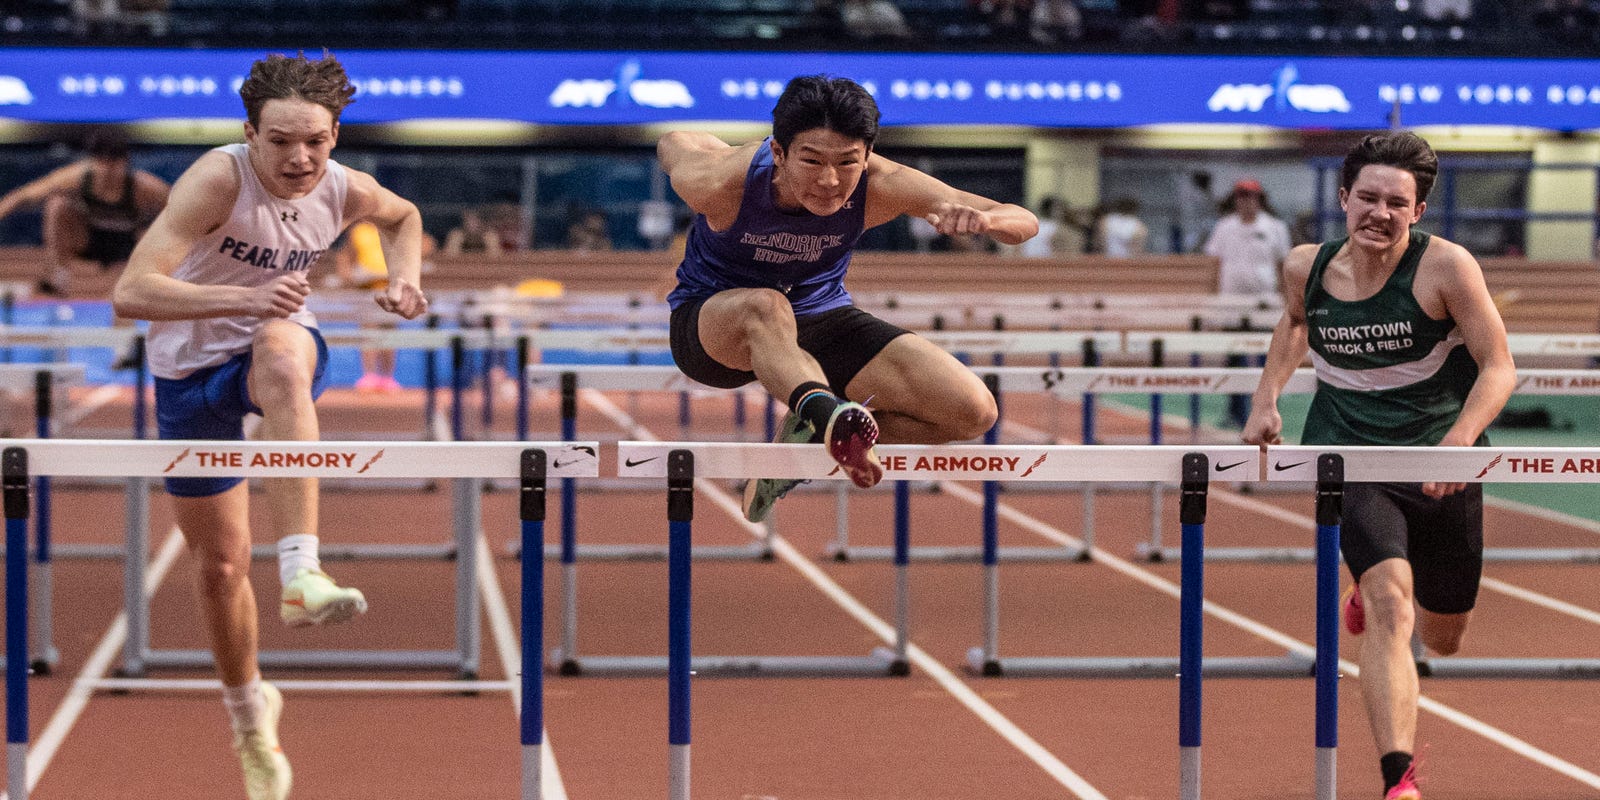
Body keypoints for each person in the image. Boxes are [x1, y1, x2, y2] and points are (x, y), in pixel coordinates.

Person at [110, 51, 429, 800]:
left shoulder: (343, 186)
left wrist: (405, 277)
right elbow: (131, 292)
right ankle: (251, 719)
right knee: (221, 568)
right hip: (189, 372)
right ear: (250, 133)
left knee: (284, 357)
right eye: (281, 140)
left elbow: (403, 216)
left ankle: (301, 573)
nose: (299, 158)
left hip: (273, 344)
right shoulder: (218, 180)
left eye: (315, 141)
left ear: (335, 137)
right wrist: (243, 300)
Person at [1242, 131, 1515, 800]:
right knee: (1394, 606)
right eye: (1368, 198)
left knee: (1445, 636)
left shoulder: (1446, 268)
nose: (1380, 213)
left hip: (1440, 460)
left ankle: (1368, 591)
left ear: (1417, 211)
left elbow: (1499, 366)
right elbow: (1297, 322)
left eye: (1397, 203)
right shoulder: (1305, 265)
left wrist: (1461, 438)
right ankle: (1400, 779)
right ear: (1344, 198)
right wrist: (1267, 395)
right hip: (1350, 456)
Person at [658, 74, 1038, 522]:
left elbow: (1023, 221)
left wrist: (987, 223)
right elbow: (673, 140)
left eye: (847, 163)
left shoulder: (884, 184)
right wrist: (724, 150)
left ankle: (814, 431)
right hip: (715, 328)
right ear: (778, 152)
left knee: (972, 411)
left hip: (819, 317)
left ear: (867, 155)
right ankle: (826, 414)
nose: (830, 181)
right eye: (812, 161)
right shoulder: (721, 182)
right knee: (765, 305)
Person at [0, 129, 170, 297]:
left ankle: (143, 279)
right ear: (92, 161)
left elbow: (178, 208)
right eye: (102, 162)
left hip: (127, 244)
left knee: (160, 225)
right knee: (57, 204)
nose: (107, 170)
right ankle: (58, 276)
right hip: (89, 240)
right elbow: (22, 196)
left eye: (114, 163)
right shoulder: (76, 177)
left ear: (125, 163)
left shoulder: (144, 187)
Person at [1204, 178, 1292, 427]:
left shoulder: (1275, 227)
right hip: (1231, 302)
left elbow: (1283, 265)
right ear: (1235, 200)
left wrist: (1288, 301)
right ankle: (1235, 412)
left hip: (1264, 303)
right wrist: (1213, 302)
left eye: (1250, 197)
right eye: (1241, 197)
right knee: (1234, 358)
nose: (1246, 202)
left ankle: (1269, 408)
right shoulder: (1224, 227)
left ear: (1259, 199)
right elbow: (1215, 264)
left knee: (1269, 358)